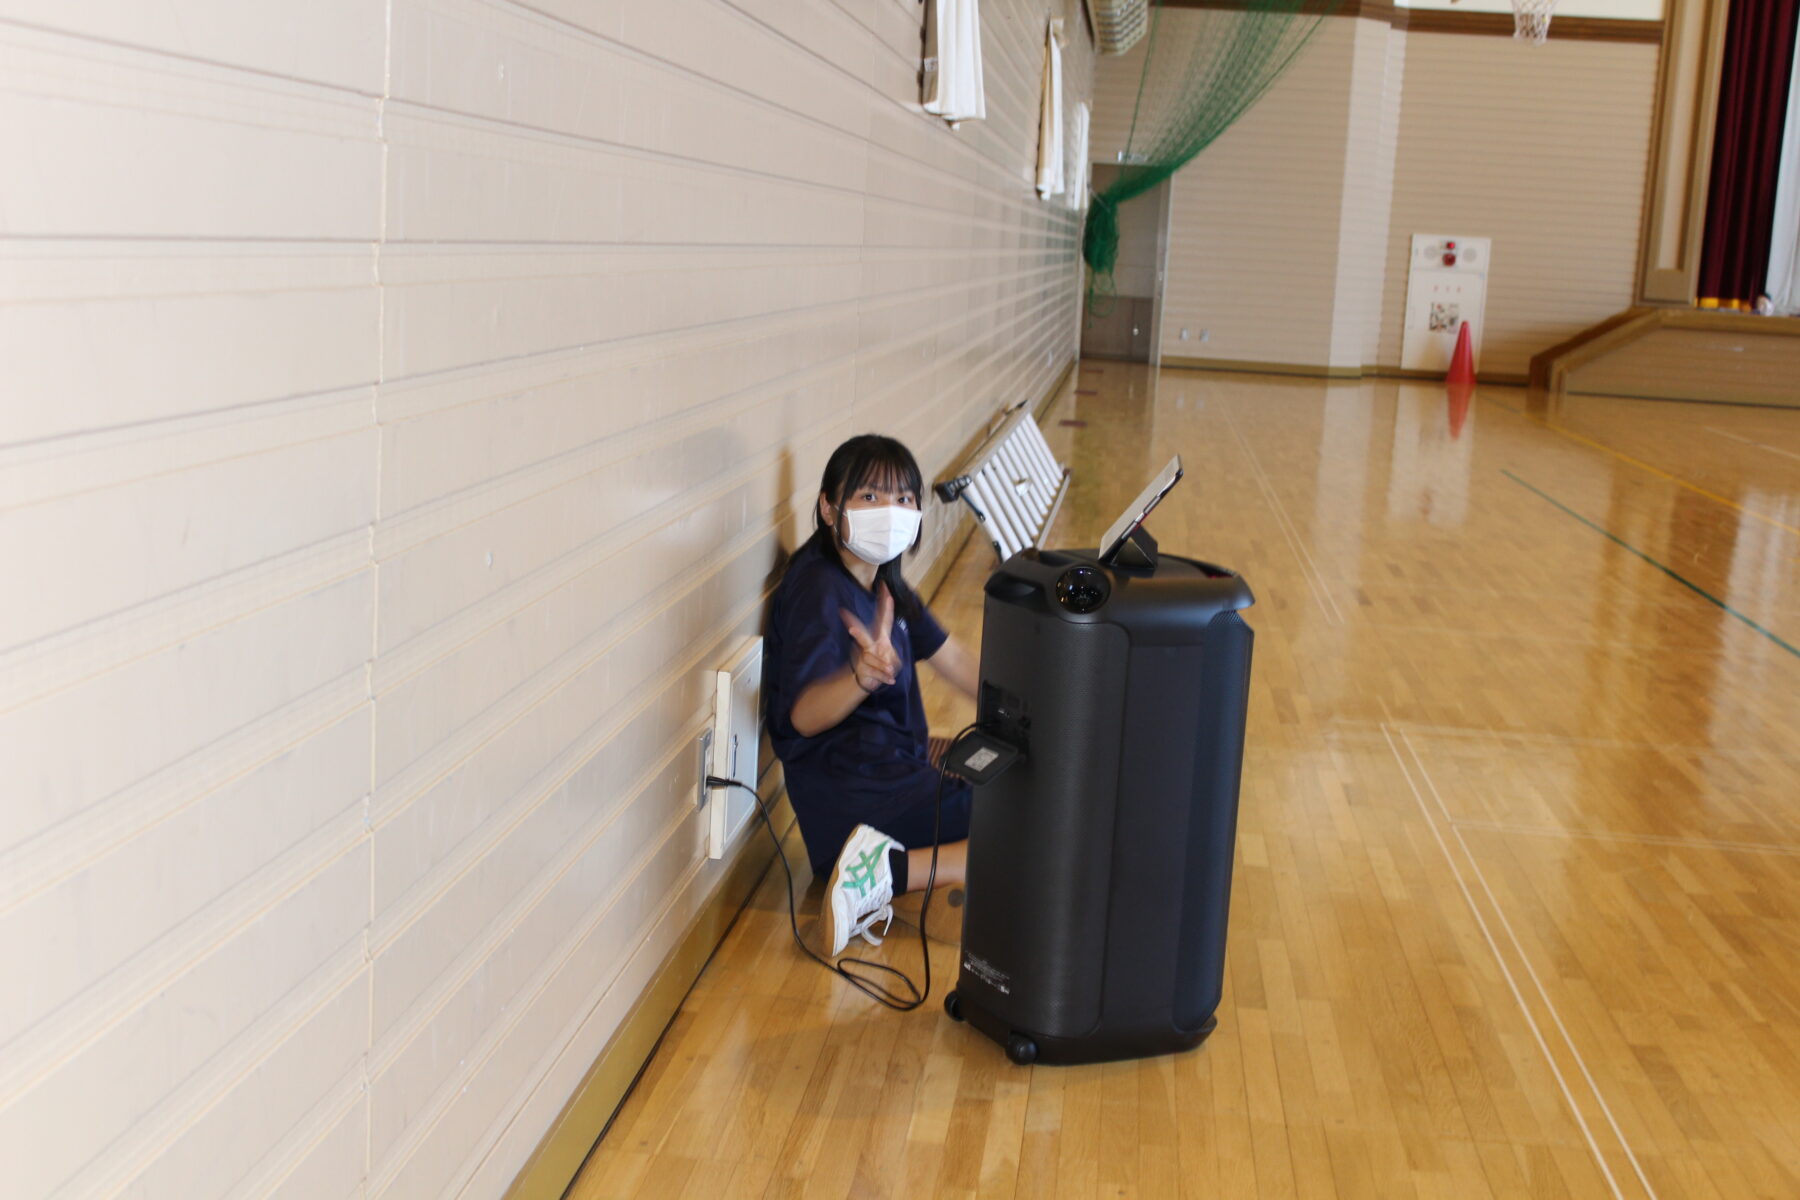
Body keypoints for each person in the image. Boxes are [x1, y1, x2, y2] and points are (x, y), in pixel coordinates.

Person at [764, 435, 980, 956]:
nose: (891, 511)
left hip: (892, 774)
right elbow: (802, 719)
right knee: (1040, 819)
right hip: (856, 802)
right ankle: (881, 872)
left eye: (904, 499)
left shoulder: (886, 582)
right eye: (869, 497)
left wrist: (1040, 709)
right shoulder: (818, 589)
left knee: (1018, 777)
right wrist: (859, 677)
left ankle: (884, 866)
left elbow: (954, 662)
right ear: (828, 507)